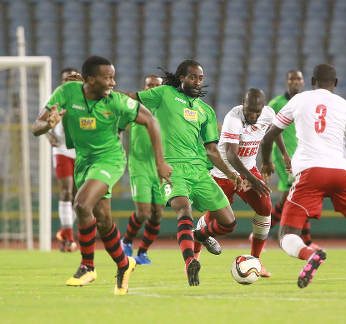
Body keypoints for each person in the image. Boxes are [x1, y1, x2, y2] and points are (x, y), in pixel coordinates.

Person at [32, 56, 172, 295]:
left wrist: (160, 162)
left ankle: (87, 266)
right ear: (90, 80)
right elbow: (36, 127)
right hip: (83, 161)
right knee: (103, 218)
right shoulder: (66, 92)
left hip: (110, 159)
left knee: (82, 204)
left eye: (113, 76)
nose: (113, 82)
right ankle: (124, 264)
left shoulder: (116, 101)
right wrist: (48, 125)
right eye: (107, 77)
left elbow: (150, 121)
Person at [261, 63, 346, 290]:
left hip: (309, 173)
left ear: (312, 81)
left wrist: (266, 162)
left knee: (285, 236)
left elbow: (268, 137)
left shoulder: (298, 100)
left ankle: (309, 255)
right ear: (336, 83)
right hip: (340, 173)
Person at [118, 59, 243, 286]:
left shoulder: (206, 111)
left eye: (200, 78)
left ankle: (201, 235)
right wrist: (104, 92)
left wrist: (231, 173)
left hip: (199, 171)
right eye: (192, 77)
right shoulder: (163, 94)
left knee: (228, 222)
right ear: (182, 77)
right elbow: (131, 97)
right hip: (171, 169)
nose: (197, 82)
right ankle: (190, 262)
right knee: (183, 209)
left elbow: (212, 150)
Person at [194, 88, 290, 278]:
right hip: (223, 173)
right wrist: (254, 180)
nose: (252, 115)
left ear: (263, 108)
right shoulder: (233, 117)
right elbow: (231, 154)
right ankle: (194, 256)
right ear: (243, 104)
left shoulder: (269, 114)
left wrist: (280, 156)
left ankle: (256, 260)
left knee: (264, 207)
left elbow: (274, 131)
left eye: (257, 111)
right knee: (214, 218)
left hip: (247, 170)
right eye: (249, 110)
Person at [266, 70, 319, 248]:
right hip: (285, 158)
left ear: (303, 82)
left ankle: (260, 233)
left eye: (298, 79)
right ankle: (305, 241)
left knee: (296, 197)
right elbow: (269, 132)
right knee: (294, 196)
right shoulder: (276, 104)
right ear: (287, 82)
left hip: (303, 157)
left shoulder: (307, 104)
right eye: (292, 79)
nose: (295, 82)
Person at [120, 75, 164, 265]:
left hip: (160, 167)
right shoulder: (134, 108)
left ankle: (143, 253)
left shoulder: (166, 110)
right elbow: (118, 125)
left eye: (156, 86)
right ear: (143, 87)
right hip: (139, 166)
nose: (152, 89)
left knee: (157, 214)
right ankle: (127, 240)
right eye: (149, 85)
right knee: (143, 212)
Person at [45, 67, 80, 252]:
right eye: (67, 79)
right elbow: (42, 123)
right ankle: (68, 239)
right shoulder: (54, 99)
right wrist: (48, 135)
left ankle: (64, 231)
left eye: (74, 78)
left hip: (80, 152)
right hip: (61, 150)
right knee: (66, 192)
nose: (70, 81)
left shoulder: (85, 99)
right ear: (62, 82)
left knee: (77, 197)